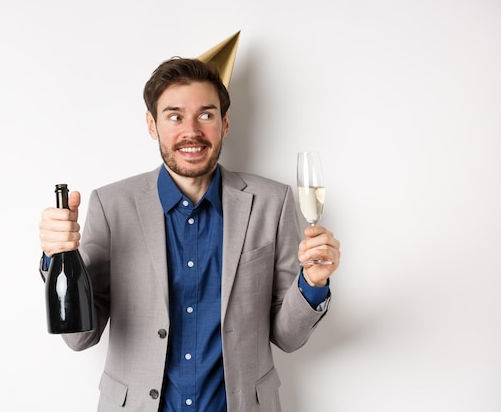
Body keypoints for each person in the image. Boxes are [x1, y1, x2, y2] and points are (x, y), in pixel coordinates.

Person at [38, 57, 341, 412]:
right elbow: (79, 337)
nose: (191, 131)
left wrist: (312, 284)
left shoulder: (272, 202)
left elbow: (287, 338)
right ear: (152, 124)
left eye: (206, 115)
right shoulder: (111, 205)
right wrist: (58, 256)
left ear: (225, 123)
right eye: (175, 116)